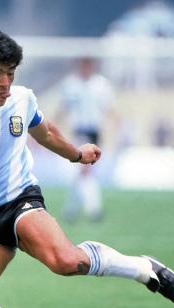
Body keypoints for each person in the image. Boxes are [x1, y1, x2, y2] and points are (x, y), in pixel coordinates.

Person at [0, 5, 174, 308]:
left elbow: (46, 132)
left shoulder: (22, 99)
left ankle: (144, 269)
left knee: (67, 261)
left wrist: (77, 154)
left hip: (19, 203)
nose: (5, 83)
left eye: (10, 73)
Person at [58, 57, 116, 223]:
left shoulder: (101, 84)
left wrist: (116, 127)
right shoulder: (70, 84)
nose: (86, 68)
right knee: (85, 171)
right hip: (79, 131)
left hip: (95, 132)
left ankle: (72, 210)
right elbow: (63, 107)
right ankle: (93, 210)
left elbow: (109, 108)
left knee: (83, 173)